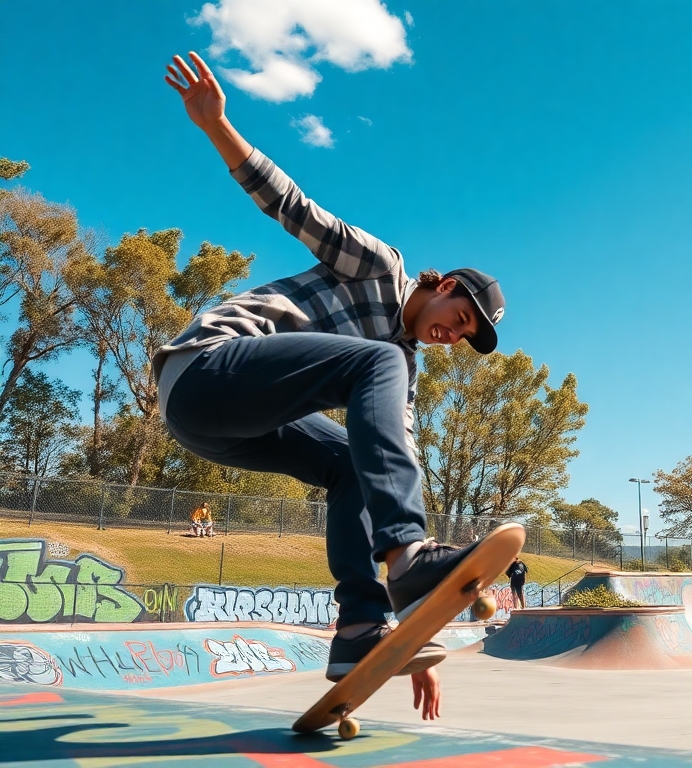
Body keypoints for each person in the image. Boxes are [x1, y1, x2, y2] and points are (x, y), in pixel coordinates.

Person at [160, 52, 510, 718]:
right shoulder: (379, 267)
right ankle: (408, 561)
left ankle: (360, 629)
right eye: (458, 318)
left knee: (355, 464)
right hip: (206, 369)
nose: (451, 335)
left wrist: (413, 636)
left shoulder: (400, 364)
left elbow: (395, 464)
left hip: (228, 429)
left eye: (463, 337)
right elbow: (293, 208)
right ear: (441, 285)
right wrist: (216, 126)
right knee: (377, 363)